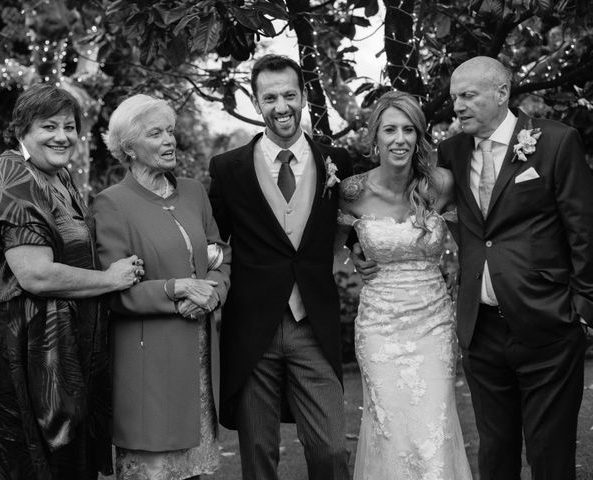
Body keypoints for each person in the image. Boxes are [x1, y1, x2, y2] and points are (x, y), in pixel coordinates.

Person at [0, 84, 143, 480]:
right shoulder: (14, 177)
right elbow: (35, 274)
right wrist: (109, 279)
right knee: (30, 465)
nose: (62, 136)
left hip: (56, 353)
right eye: (48, 126)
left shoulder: (58, 176)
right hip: (16, 355)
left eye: (69, 126)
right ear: (22, 130)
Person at [439, 56, 593, 480]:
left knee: (549, 453)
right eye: (455, 98)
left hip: (548, 323)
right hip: (481, 330)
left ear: (502, 93)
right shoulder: (450, 152)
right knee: (496, 451)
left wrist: (582, 308)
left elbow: (584, 229)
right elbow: (426, 208)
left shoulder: (555, 142)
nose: (458, 106)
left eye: (468, 96)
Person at [208, 54, 352, 480]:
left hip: (314, 323)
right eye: (270, 97)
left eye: (290, 94)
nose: (281, 106)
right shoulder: (228, 169)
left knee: (329, 450)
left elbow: (358, 223)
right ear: (257, 104)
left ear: (304, 96)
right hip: (253, 329)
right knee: (258, 452)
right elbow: (215, 242)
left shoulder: (338, 163)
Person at [92, 94, 231, 480]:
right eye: (156, 133)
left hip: (199, 361)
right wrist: (176, 289)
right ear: (129, 147)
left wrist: (212, 295)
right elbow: (115, 292)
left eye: (170, 131)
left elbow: (221, 257)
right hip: (148, 365)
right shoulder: (111, 205)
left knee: (194, 473)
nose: (170, 140)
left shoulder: (193, 191)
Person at [338, 90, 472, 479]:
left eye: (409, 130)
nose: (400, 139)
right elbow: (327, 246)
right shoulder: (352, 191)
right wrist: (355, 253)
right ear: (375, 137)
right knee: (391, 426)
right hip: (380, 325)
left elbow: (472, 242)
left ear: (419, 136)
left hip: (433, 322)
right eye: (390, 130)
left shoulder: (441, 184)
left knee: (434, 421)